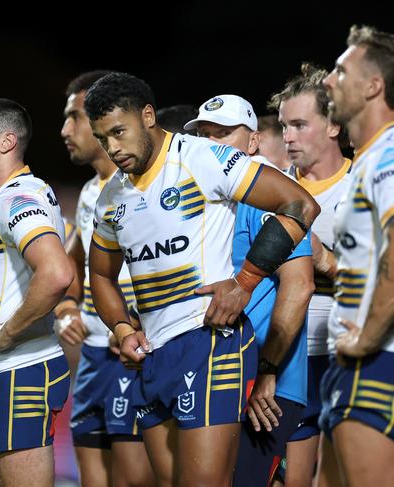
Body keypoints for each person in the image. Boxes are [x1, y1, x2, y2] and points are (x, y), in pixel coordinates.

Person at [85, 72, 319, 486]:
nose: (113, 148)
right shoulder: (111, 198)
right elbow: (100, 275)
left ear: (148, 115)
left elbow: (299, 205)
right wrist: (122, 328)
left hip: (210, 342)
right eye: (103, 139)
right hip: (154, 356)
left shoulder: (201, 158)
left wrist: (244, 283)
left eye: (119, 132)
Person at [184, 94, 315, 484]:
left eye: (224, 134)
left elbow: (300, 285)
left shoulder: (266, 196)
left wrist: (268, 370)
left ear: (254, 142)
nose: (211, 144)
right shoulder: (213, 199)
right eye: (205, 135)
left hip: (266, 382)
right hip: (220, 376)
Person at [0, 98, 74, 487]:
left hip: (20, 371)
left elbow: (57, 272)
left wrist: (9, 331)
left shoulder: (17, 198)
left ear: (7, 141)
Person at [59, 71, 154, 487]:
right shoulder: (89, 193)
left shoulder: (142, 187)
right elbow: (74, 266)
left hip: (130, 355)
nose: (66, 129)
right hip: (93, 358)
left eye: (75, 117)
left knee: (135, 480)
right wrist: (65, 306)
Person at [268, 63, 352, 487]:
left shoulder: (362, 185)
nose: (287, 137)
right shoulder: (271, 189)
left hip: (346, 356)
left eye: (300, 124)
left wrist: (325, 262)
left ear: (334, 125)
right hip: (285, 361)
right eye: (284, 126)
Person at [319, 24, 394, 486]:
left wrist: (366, 339)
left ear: (374, 85)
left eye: (340, 71)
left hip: (376, 360)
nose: (329, 80)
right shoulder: (369, 158)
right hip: (350, 364)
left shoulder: (388, 154)